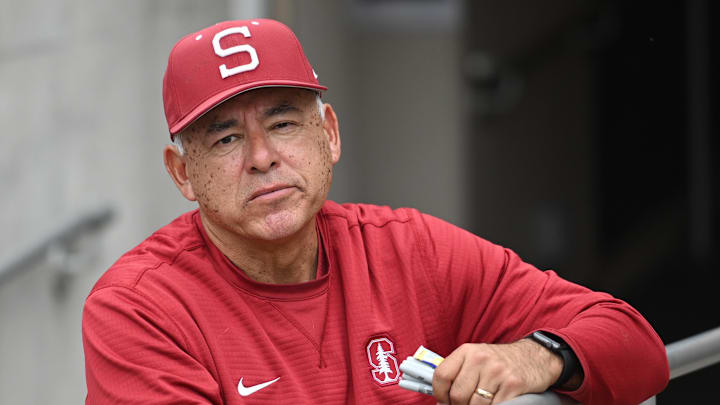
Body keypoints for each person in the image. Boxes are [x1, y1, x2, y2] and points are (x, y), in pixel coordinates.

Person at [82, 18, 669, 405]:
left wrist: (533, 356)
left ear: (329, 135)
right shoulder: (138, 309)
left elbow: (635, 344)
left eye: (284, 122)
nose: (262, 158)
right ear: (183, 173)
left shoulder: (407, 248)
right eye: (226, 138)